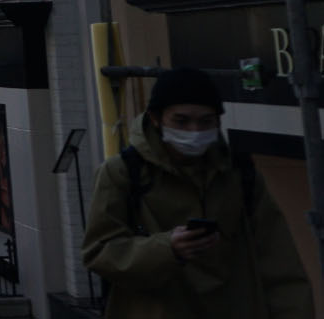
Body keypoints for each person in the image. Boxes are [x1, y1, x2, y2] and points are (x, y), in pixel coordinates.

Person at [82, 67, 312, 319]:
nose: (194, 131)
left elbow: (279, 262)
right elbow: (100, 251)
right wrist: (166, 248)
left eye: (205, 121)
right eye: (181, 121)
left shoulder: (238, 172)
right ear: (156, 118)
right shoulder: (123, 172)